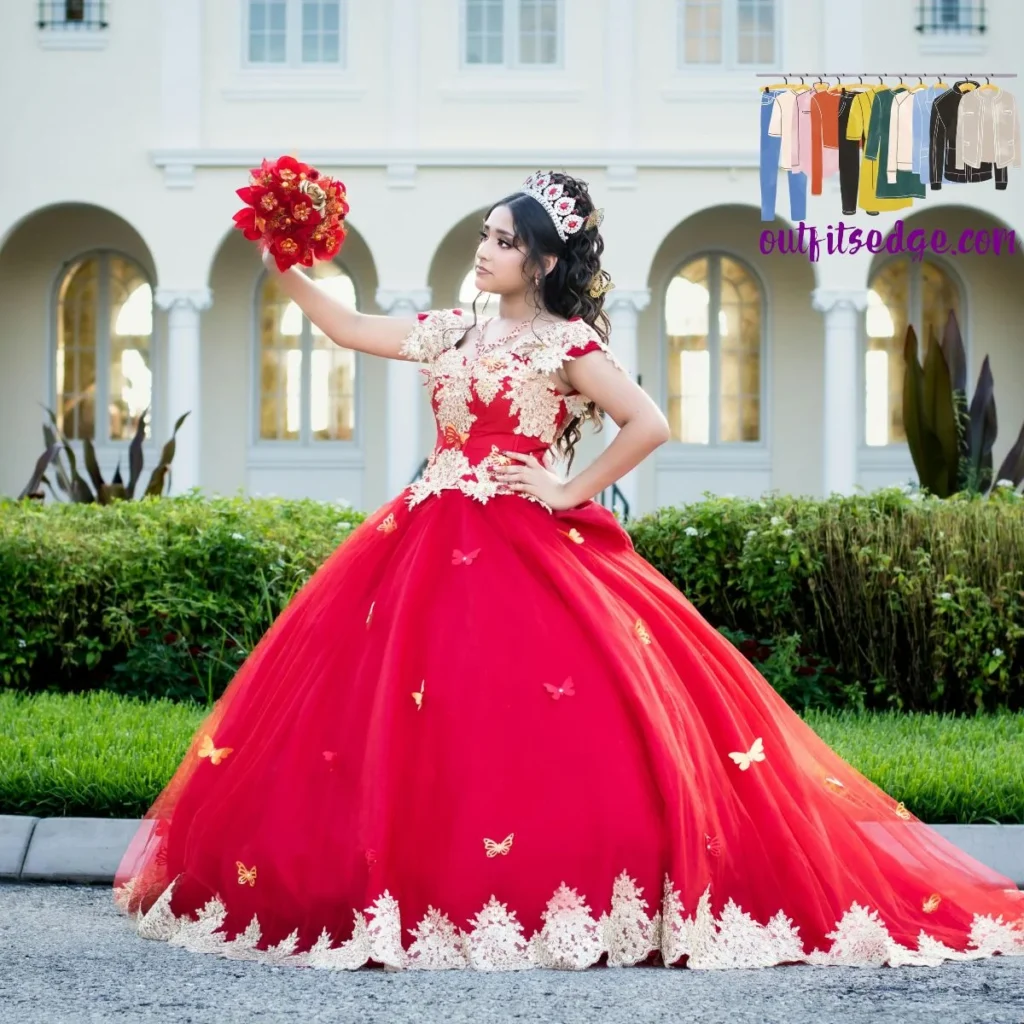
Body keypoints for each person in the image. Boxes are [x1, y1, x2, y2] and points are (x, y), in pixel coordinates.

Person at [112, 171, 1024, 972]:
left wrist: (564, 489)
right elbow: (351, 327)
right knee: (420, 713)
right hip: (428, 538)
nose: (485, 250)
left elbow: (650, 424)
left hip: (523, 541)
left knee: (544, 711)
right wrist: (286, 265)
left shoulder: (568, 345)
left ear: (542, 262)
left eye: (503, 242)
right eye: (485, 235)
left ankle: (558, 886)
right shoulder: (452, 329)